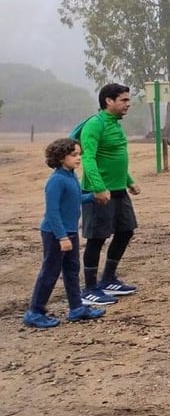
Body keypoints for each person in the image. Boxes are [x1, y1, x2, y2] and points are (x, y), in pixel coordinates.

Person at [24, 139, 106, 328]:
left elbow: (74, 199)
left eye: (79, 154)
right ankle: (34, 311)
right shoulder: (56, 180)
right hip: (55, 233)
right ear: (61, 158)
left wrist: (93, 197)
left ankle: (77, 308)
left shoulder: (70, 176)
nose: (79, 158)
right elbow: (52, 212)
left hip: (69, 231)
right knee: (50, 272)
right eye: (74, 155)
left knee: (72, 269)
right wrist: (61, 237)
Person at [77, 83, 140, 307]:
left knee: (126, 231)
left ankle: (109, 279)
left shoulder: (115, 124)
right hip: (99, 192)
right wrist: (98, 187)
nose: (128, 104)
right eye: (123, 100)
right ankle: (90, 289)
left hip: (119, 190)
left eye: (127, 100)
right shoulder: (95, 125)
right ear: (108, 101)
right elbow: (89, 159)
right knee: (97, 238)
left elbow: (115, 159)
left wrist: (129, 181)